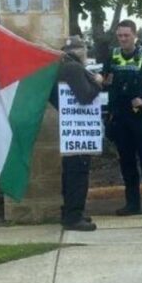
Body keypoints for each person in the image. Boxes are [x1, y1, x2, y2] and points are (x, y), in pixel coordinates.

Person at [105, 19, 142, 218]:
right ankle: (132, 204)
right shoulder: (113, 55)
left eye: (126, 35)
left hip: (140, 118)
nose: (123, 39)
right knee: (127, 163)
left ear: (135, 35)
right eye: (120, 36)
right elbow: (105, 80)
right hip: (120, 118)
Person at [50, 35, 104, 231]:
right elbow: (85, 96)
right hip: (78, 133)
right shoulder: (73, 68)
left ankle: (72, 213)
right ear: (81, 51)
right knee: (78, 174)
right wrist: (98, 82)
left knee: (72, 172)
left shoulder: (63, 67)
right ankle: (74, 217)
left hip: (73, 129)